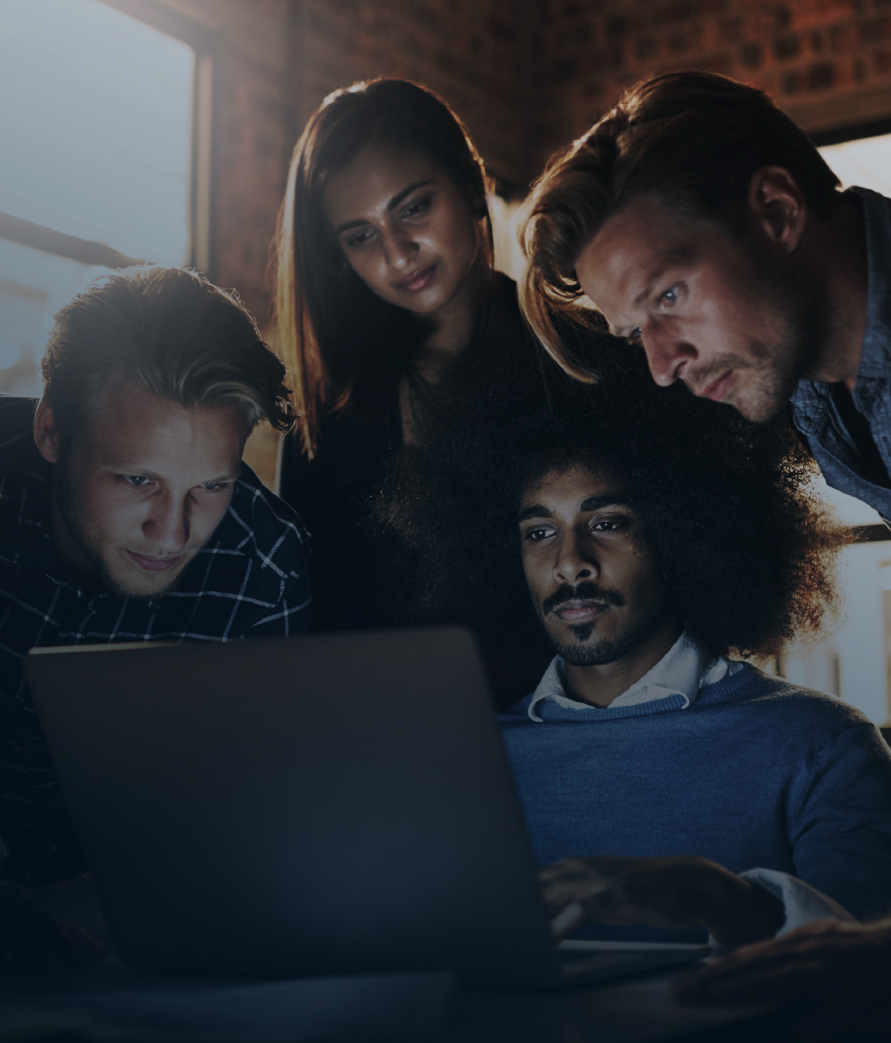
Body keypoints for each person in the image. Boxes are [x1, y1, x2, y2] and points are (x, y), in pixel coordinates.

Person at [380, 348, 891, 948]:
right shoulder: (467, 762)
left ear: (684, 532)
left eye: (607, 522)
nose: (569, 562)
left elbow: (868, 982)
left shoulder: (821, 744)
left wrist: (720, 898)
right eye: (539, 533)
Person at [0, 266, 311, 941]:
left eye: (210, 486)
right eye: (138, 479)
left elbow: (233, 838)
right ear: (51, 430)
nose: (173, 534)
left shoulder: (265, 569)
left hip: (108, 941)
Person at [271, 78, 556, 698]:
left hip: (587, 742)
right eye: (360, 235)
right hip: (395, 753)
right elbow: (317, 637)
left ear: (472, 186)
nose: (398, 254)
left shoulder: (580, 361)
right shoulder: (327, 422)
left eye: (413, 207)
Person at [519, 69, 891, 527]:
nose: (662, 367)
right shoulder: (805, 381)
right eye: (636, 332)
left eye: (668, 296)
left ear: (777, 211)